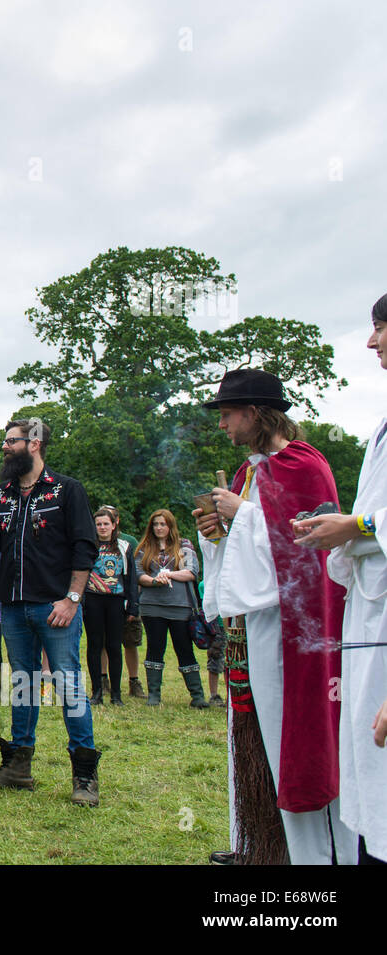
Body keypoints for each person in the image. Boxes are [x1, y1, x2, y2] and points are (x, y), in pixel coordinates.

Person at [193, 368, 353, 865]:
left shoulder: (305, 466)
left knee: (306, 745)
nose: (223, 427)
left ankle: (327, 860)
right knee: (277, 748)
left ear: (256, 413)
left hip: (302, 631)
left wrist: (241, 515)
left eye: (227, 415)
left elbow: (309, 547)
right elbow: (248, 551)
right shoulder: (250, 471)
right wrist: (215, 531)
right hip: (259, 628)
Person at [0, 419, 102, 806]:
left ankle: (85, 775)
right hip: (12, 607)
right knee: (22, 685)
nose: (5, 448)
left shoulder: (66, 490)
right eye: (4, 442)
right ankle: (18, 766)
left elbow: (85, 546)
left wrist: (72, 599)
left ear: (35, 443)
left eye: (11, 441)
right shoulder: (1, 496)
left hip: (55, 605)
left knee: (68, 685)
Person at [295, 293, 387, 864]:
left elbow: (371, 517)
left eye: (381, 328)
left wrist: (355, 523)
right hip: (370, 611)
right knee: (368, 764)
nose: (373, 341)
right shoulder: (381, 428)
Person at [132, 510, 203, 708]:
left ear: (170, 526)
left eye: (163, 524)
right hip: (152, 606)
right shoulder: (144, 548)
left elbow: (191, 572)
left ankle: (197, 696)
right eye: (155, 524)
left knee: (184, 648)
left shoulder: (184, 545)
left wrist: (168, 575)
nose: (159, 528)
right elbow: (139, 575)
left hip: (180, 605)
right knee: (155, 646)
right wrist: (154, 580)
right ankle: (154, 695)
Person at [83, 506, 138, 706]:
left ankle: (116, 694)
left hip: (116, 600)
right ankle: (96, 691)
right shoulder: (89, 545)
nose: (102, 527)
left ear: (114, 525)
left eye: (106, 523)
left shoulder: (124, 546)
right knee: (94, 644)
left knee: (114, 646)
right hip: (93, 598)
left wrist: (133, 605)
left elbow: (131, 576)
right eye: (99, 524)